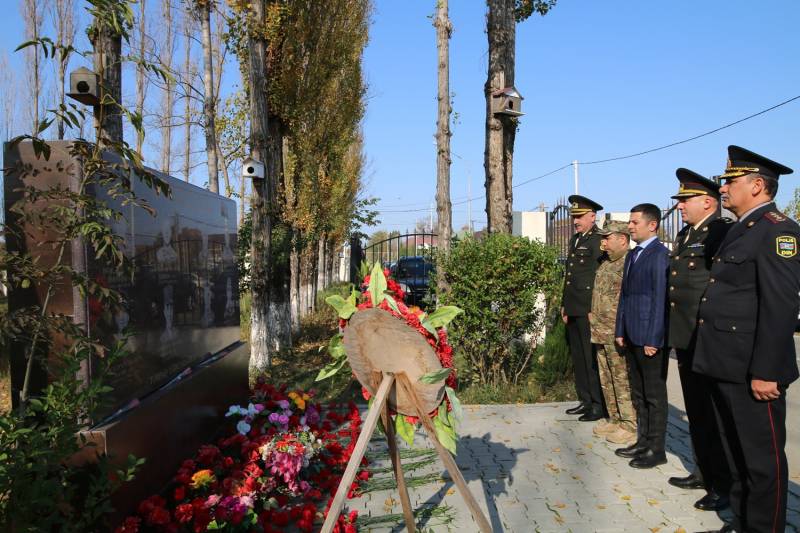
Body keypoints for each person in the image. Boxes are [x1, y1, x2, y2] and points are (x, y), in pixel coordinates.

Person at [693, 146, 799, 533]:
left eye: (730, 182)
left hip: (754, 369)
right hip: (725, 362)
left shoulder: (778, 230)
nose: (723, 189)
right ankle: (741, 521)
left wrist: (767, 371)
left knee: (761, 461)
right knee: (736, 453)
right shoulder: (741, 228)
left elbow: (780, 306)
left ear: (757, 186)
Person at [666, 168, 732, 511]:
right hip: (686, 337)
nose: (679, 206)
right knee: (697, 412)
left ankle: (724, 483)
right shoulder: (686, 233)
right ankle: (704, 471)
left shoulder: (721, 232)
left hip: (706, 339)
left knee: (714, 416)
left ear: (707, 202)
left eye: (685, 200)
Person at [614, 203, 669, 469]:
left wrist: (653, 339)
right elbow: (625, 296)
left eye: (635, 222)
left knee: (654, 396)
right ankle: (642, 440)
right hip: (632, 334)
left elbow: (660, 299)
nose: (630, 226)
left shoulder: (659, 255)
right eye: (630, 221)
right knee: (638, 393)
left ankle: (656, 449)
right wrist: (620, 330)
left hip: (649, 338)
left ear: (652, 225)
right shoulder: (632, 255)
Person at [588, 220, 637, 445]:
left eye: (607, 238)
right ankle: (615, 418)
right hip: (600, 330)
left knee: (621, 379)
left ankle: (630, 424)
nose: (603, 242)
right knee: (606, 377)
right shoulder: (606, 263)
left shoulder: (629, 262)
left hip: (616, 332)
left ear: (622, 239)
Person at [561, 195, 606, 421]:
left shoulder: (598, 240)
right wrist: (564, 305)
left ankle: (598, 405)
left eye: (580, 216)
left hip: (588, 309)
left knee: (590, 359)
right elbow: (570, 277)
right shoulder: (576, 240)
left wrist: (595, 308)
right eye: (574, 216)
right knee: (578, 357)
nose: (576, 221)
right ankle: (585, 400)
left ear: (592, 216)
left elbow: (600, 278)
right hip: (574, 308)